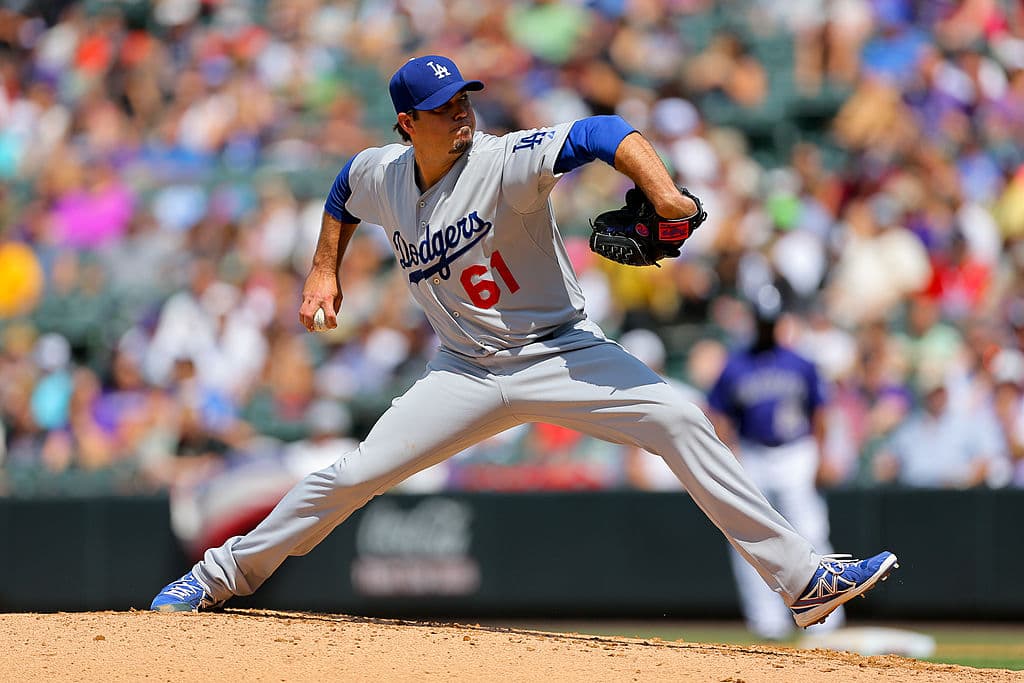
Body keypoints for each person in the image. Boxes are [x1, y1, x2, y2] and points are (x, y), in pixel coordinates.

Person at [150, 55, 898, 628]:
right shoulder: (386, 176)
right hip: (464, 372)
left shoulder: (503, 160)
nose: (462, 114)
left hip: (560, 350)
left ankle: (801, 582)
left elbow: (602, 134)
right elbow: (344, 185)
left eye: (465, 98)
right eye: (443, 108)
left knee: (679, 418)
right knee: (351, 474)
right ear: (408, 124)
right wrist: (322, 269)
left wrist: (666, 194)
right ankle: (214, 577)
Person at [706, 285, 845, 640]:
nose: (767, 328)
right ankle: (766, 623)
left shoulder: (800, 362)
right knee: (750, 540)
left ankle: (826, 620)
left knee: (812, 534)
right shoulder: (736, 364)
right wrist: (729, 455)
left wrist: (823, 454)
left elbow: (820, 412)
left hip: (797, 451)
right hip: (753, 454)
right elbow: (718, 414)